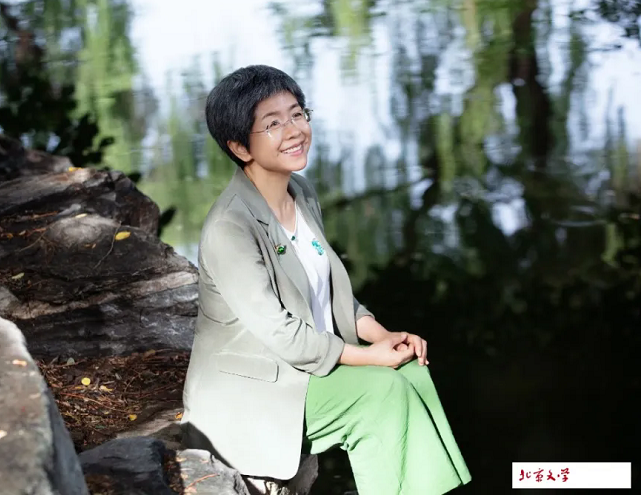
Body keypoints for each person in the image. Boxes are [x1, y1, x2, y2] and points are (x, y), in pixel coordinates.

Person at [181, 65, 471, 494]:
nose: (294, 131)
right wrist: (369, 358)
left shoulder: (301, 193)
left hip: (303, 368)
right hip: (255, 389)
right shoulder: (230, 228)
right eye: (273, 124)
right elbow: (282, 334)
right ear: (240, 147)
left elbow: (333, 296)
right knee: (382, 393)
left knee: (413, 370)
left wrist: (383, 336)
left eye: (297, 114)